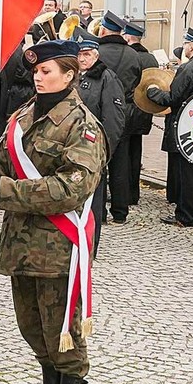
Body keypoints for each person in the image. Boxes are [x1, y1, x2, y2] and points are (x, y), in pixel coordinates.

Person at [0, 39, 107, 384]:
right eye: (36, 72)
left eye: (46, 72)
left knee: (63, 328)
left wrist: (2, 191)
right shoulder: (25, 114)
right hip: (22, 242)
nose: (38, 77)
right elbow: (1, 159)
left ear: (69, 74)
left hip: (59, 245)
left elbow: (71, 188)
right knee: (32, 326)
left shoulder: (83, 125)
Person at [146, 28, 193, 227]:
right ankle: (190, 212)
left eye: (186, 44)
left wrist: (152, 92)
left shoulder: (188, 69)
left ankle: (185, 215)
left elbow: (173, 98)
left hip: (184, 125)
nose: (184, 47)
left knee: (186, 173)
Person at [75, 34, 125, 254]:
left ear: (96, 55)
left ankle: (89, 244)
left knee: (93, 200)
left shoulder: (107, 78)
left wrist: (105, 150)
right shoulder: (73, 75)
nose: (82, 59)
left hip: (93, 147)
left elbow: (113, 119)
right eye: (79, 54)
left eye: (86, 55)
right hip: (72, 147)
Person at [97, 11, 142, 224]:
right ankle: (120, 211)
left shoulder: (95, 51)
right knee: (121, 163)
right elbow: (137, 81)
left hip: (97, 112)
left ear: (104, 30)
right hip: (123, 112)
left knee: (98, 161)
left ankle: (99, 212)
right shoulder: (133, 54)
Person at [122, 21, 159, 205]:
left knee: (123, 154)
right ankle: (134, 193)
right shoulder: (151, 58)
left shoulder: (128, 56)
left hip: (128, 109)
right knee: (136, 152)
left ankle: (124, 193)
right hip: (144, 111)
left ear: (128, 37)